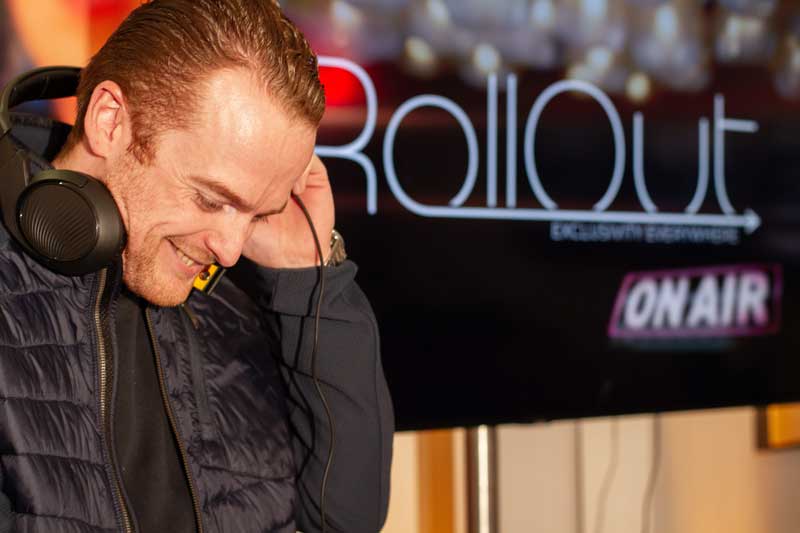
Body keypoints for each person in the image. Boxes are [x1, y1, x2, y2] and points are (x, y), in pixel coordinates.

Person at [0, 1, 393, 532]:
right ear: (110, 121)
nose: (230, 250)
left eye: (258, 213)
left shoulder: (234, 310)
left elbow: (345, 519)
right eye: (211, 199)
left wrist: (308, 276)